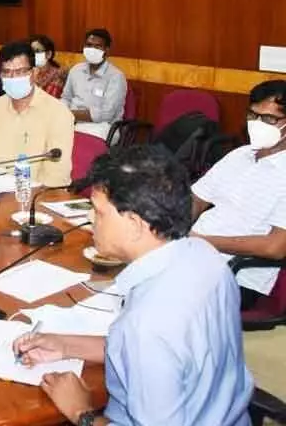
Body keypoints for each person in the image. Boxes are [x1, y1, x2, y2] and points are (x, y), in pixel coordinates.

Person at [13, 145, 252, 426]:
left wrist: (82, 413)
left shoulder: (146, 325)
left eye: (99, 212)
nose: (91, 220)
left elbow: (149, 343)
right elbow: (172, 357)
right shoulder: (205, 257)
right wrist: (65, 344)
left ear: (136, 224)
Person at [191, 79, 286, 309]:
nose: (256, 124)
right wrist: (166, 227)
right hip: (193, 253)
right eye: (253, 116)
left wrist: (204, 243)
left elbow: (275, 247)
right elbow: (196, 200)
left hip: (236, 274)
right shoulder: (240, 155)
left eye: (268, 119)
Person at [0, 41, 74, 187]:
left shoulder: (59, 113)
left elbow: (56, 178)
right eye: (7, 72)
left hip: (35, 197)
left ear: (34, 73)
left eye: (20, 72)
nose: (13, 78)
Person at [62, 29, 127, 141]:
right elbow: (66, 97)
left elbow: (106, 114)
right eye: (89, 45)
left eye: (97, 47)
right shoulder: (76, 70)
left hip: (101, 127)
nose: (92, 49)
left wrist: (71, 114)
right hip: (71, 121)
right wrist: (62, 111)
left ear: (106, 50)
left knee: (75, 144)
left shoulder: (116, 76)